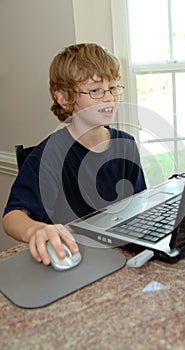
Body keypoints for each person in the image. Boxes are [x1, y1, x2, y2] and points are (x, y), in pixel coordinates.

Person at [2, 43, 146, 265]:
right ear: (64, 99)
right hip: (76, 258)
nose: (109, 98)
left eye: (114, 87)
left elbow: (139, 204)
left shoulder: (126, 145)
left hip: (119, 257)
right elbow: (12, 217)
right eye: (96, 90)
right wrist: (35, 230)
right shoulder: (49, 156)